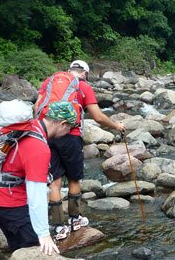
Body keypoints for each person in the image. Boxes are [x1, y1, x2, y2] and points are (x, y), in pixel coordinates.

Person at [0, 101, 79, 260]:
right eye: (69, 127)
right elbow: (36, 196)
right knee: (33, 249)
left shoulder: (29, 127)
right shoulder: (38, 148)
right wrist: (43, 234)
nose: (68, 132)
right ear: (60, 123)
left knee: (18, 246)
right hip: (8, 203)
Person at [36, 60, 127, 240]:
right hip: (71, 135)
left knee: (53, 181)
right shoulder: (82, 86)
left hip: (47, 134)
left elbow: (36, 107)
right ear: (85, 73)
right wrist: (117, 126)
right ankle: (75, 219)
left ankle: (58, 228)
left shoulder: (49, 82)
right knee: (74, 178)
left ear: (70, 70)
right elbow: (98, 117)